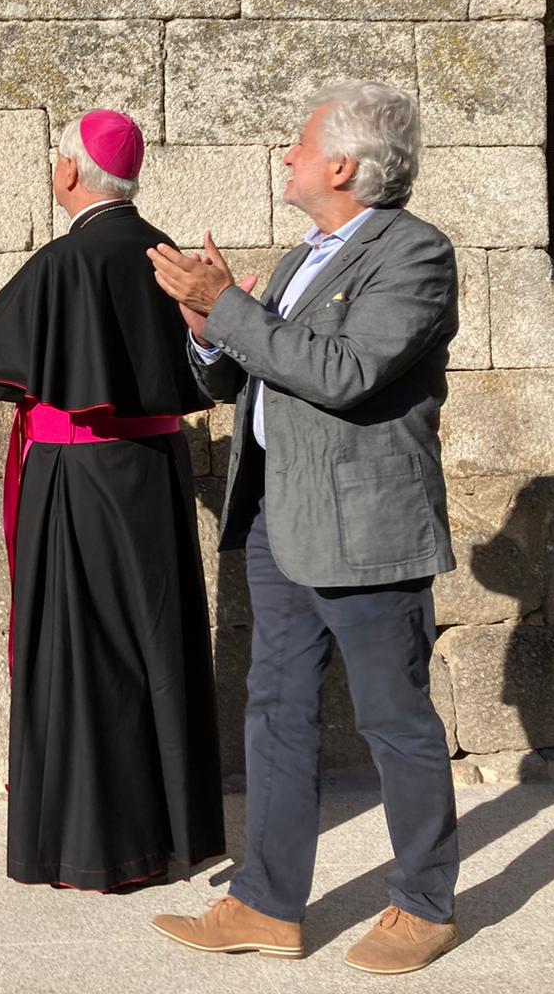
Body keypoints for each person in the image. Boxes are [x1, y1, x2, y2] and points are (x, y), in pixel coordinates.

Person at [146, 80, 461, 975]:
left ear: (345, 165)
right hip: (279, 517)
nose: (287, 155)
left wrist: (232, 309)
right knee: (276, 711)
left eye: (301, 144)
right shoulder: (299, 259)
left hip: (365, 527)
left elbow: (344, 373)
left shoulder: (415, 253)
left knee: (393, 719)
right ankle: (266, 904)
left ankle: (425, 905)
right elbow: (246, 379)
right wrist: (208, 330)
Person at [0, 110, 226, 892]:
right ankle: (169, 833)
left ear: (70, 172)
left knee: (82, 652)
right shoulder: (169, 255)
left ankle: (98, 848)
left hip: (78, 478)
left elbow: (3, 373)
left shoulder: (62, 261)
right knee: (156, 645)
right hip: (157, 471)